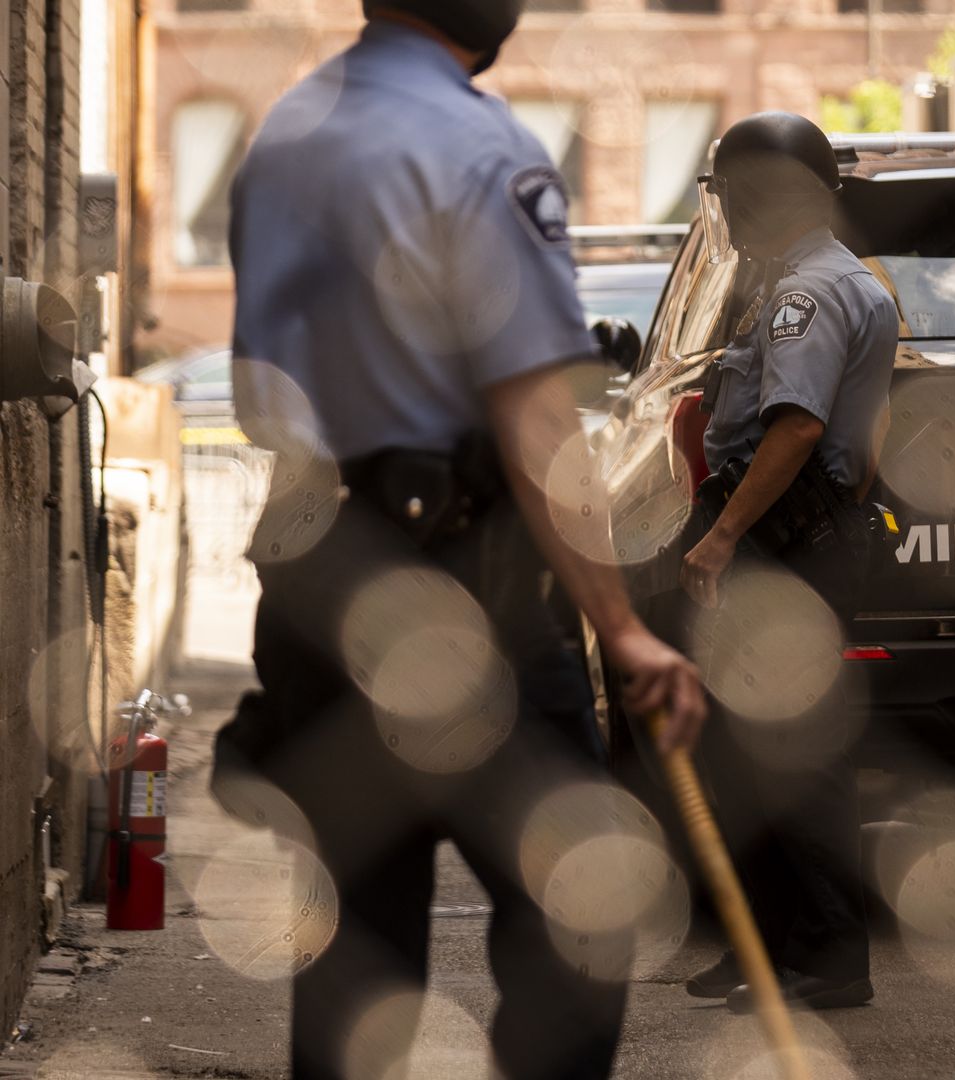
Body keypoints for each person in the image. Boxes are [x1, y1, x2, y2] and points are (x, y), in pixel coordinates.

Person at [222, 2, 706, 1076]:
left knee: (354, 949)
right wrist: (622, 629)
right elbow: (537, 426)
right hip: (469, 594)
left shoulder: (286, 135)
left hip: (317, 582)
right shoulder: (482, 147)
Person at [676, 112, 898, 1013]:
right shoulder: (839, 283)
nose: (724, 209)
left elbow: (798, 425)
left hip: (779, 547)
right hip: (798, 538)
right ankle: (767, 947)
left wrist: (724, 537)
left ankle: (830, 958)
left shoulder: (811, 293)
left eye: (729, 192)